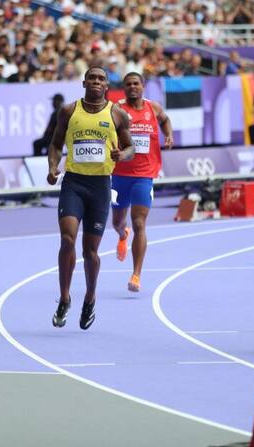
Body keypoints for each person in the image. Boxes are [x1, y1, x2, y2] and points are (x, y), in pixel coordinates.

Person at [47, 67, 134, 330]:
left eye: (101, 79)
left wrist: (123, 155)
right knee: (67, 239)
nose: (96, 82)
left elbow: (130, 147)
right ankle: (64, 298)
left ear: (107, 85)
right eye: (92, 78)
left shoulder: (117, 114)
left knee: (90, 251)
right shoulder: (69, 111)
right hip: (74, 182)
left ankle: (89, 297)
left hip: (100, 186)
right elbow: (55, 144)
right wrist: (53, 167)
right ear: (84, 82)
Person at [111, 72, 173, 292]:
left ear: (143, 86)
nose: (132, 87)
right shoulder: (116, 109)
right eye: (128, 84)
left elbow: (165, 120)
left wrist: (169, 135)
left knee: (139, 223)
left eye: (135, 83)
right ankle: (122, 234)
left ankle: (136, 275)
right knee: (118, 222)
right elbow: (106, 132)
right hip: (119, 176)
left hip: (144, 175)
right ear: (124, 88)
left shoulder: (153, 108)